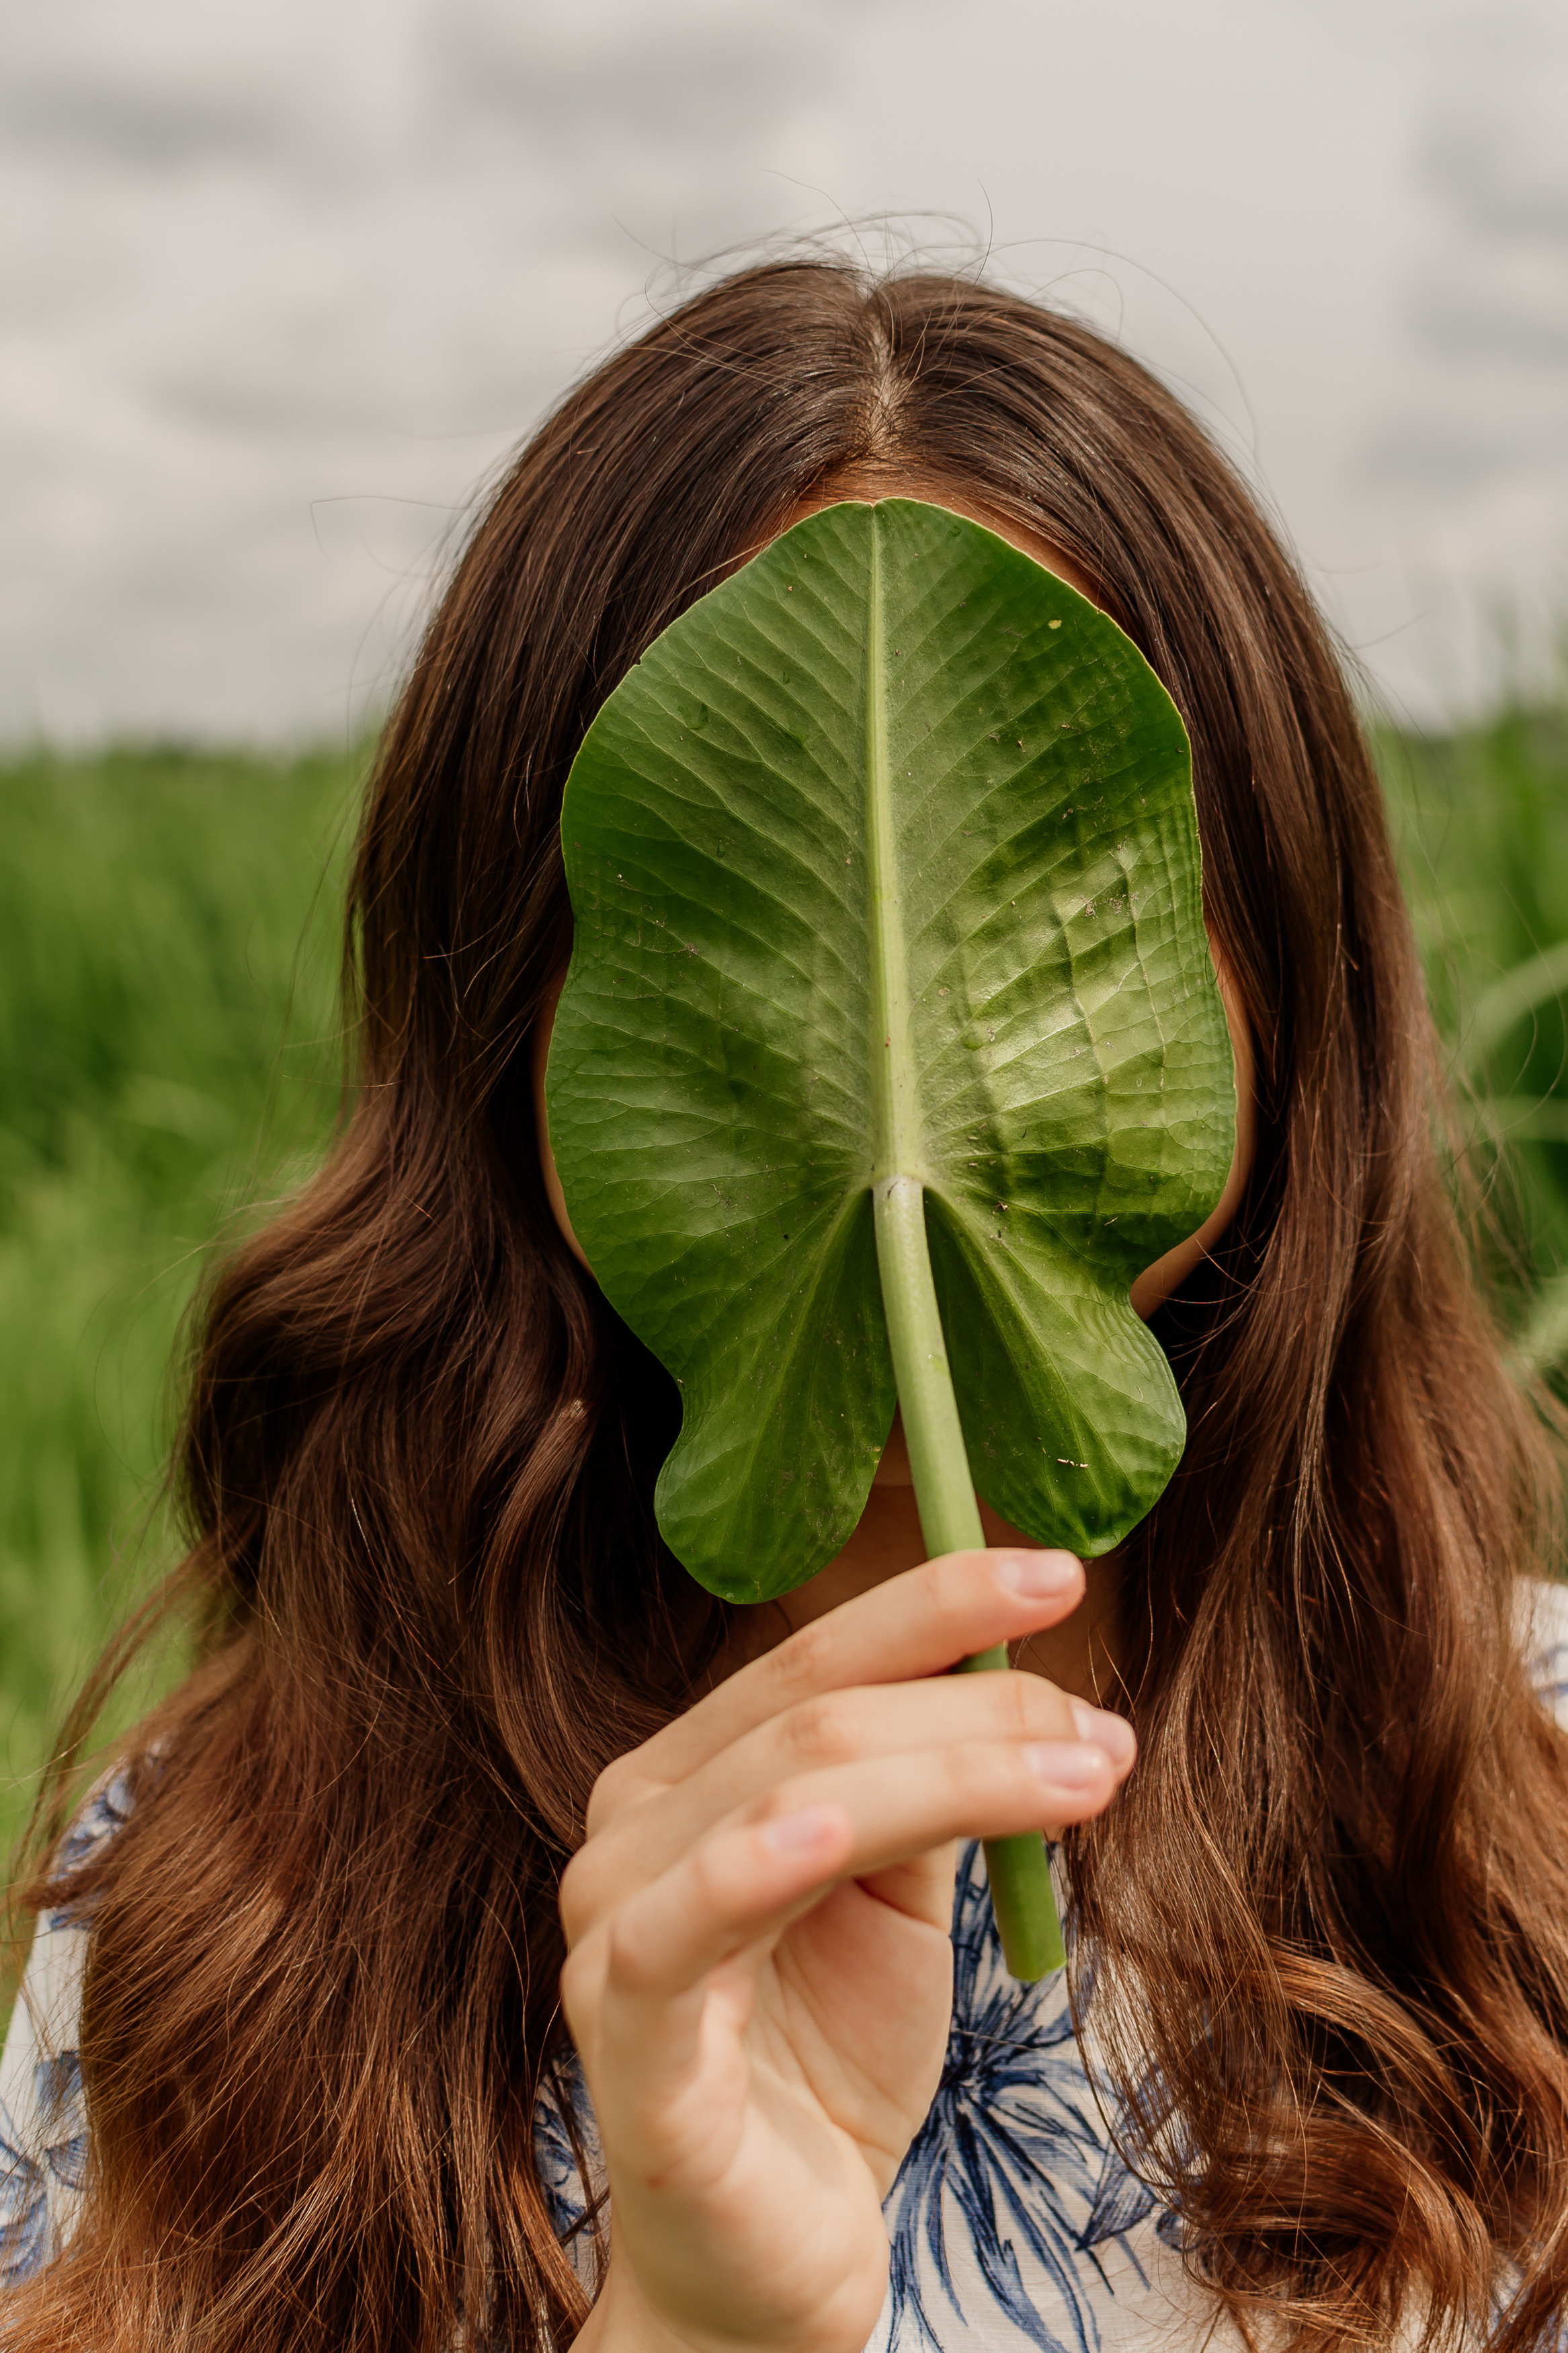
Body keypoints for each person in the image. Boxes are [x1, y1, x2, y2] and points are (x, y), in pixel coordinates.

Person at [3, 257, 1567, 2353]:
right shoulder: (223, 1911)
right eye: (738, 908)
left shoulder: (1538, 1800)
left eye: (1052, 891)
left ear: (1289, 971)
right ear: (516, 1016)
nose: (906, 1048)